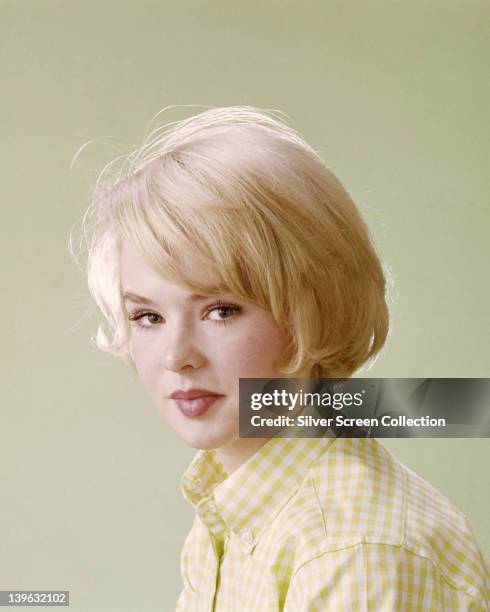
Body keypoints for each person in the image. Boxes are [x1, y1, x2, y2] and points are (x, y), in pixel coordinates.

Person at [74, 106, 489, 610]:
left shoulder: (348, 549)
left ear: (309, 309)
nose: (176, 357)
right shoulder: (233, 501)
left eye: (220, 310)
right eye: (148, 317)